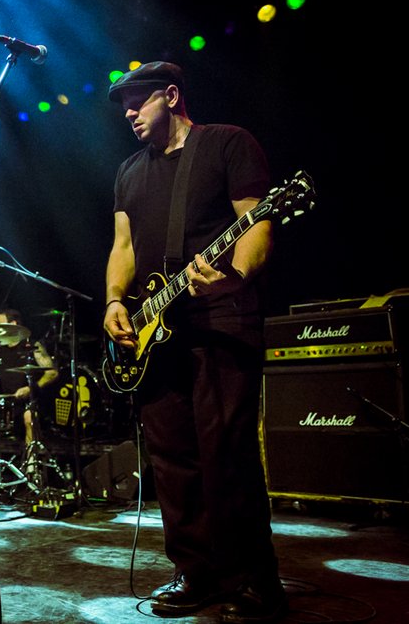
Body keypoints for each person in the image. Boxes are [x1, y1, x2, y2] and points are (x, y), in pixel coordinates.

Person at [101, 62, 285, 622]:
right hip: (157, 332)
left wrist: (235, 275)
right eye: (124, 105)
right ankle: (196, 572)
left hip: (220, 320)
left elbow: (256, 222)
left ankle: (253, 581)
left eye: (138, 100)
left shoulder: (227, 143)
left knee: (227, 452)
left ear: (172, 95)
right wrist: (114, 301)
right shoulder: (129, 171)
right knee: (172, 460)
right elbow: (124, 247)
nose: (129, 112)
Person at [0, 309, 58, 449]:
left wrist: (30, 389)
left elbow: (52, 373)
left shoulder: (32, 346)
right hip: (7, 404)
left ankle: (32, 459)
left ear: (13, 324)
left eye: (0, 324)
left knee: (29, 417)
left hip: (31, 402)